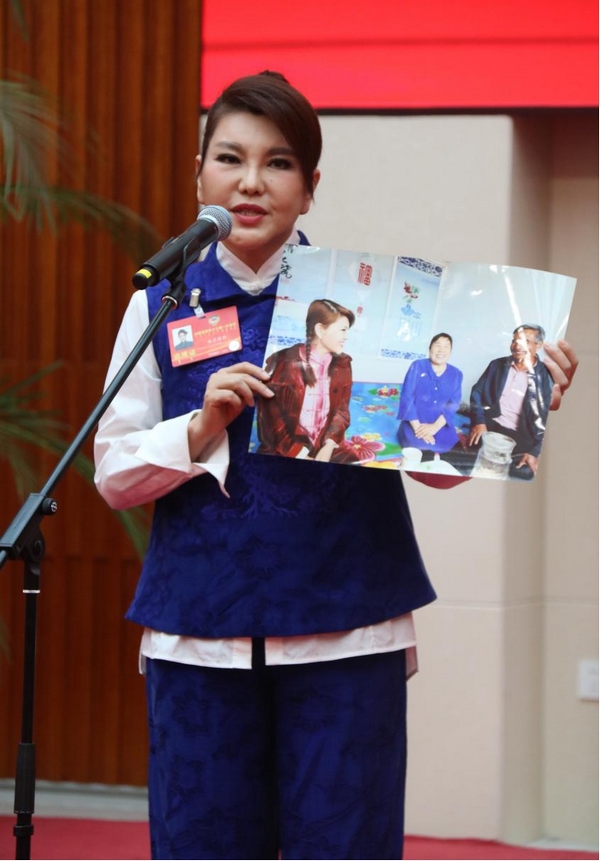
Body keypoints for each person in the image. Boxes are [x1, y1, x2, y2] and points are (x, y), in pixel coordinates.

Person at [93, 72, 578, 860]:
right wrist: (200, 426)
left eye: (279, 163)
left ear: (311, 187)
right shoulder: (161, 304)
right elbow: (114, 473)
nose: (251, 182)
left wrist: (520, 406)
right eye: (230, 158)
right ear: (199, 173)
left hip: (348, 634)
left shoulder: (374, 306)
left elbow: (438, 467)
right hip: (198, 633)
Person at [256, 298, 358, 461]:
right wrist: (300, 454)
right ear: (320, 330)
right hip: (286, 446)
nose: (346, 337)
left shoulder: (343, 364)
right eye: (342, 330)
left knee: (354, 461)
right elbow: (271, 423)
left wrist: (329, 444)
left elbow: (342, 411)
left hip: (323, 441)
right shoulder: (282, 363)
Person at [466, 324, 554, 480]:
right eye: (515, 340)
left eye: (525, 341)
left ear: (538, 345)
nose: (517, 346)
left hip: (522, 434)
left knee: (522, 473)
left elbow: (551, 417)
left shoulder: (547, 376)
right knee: (468, 461)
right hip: (489, 426)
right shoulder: (497, 365)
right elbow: (477, 392)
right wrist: (479, 422)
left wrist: (535, 451)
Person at [396, 332, 463, 458]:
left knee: (456, 452)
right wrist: (419, 429)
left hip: (440, 424)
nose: (441, 350)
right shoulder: (417, 366)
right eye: (437, 345)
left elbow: (453, 403)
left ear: (450, 352)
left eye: (446, 346)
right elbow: (407, 398)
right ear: (430, 348)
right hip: (415, 423)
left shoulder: (456, 374)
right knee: (422, 455)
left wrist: (434, 427)